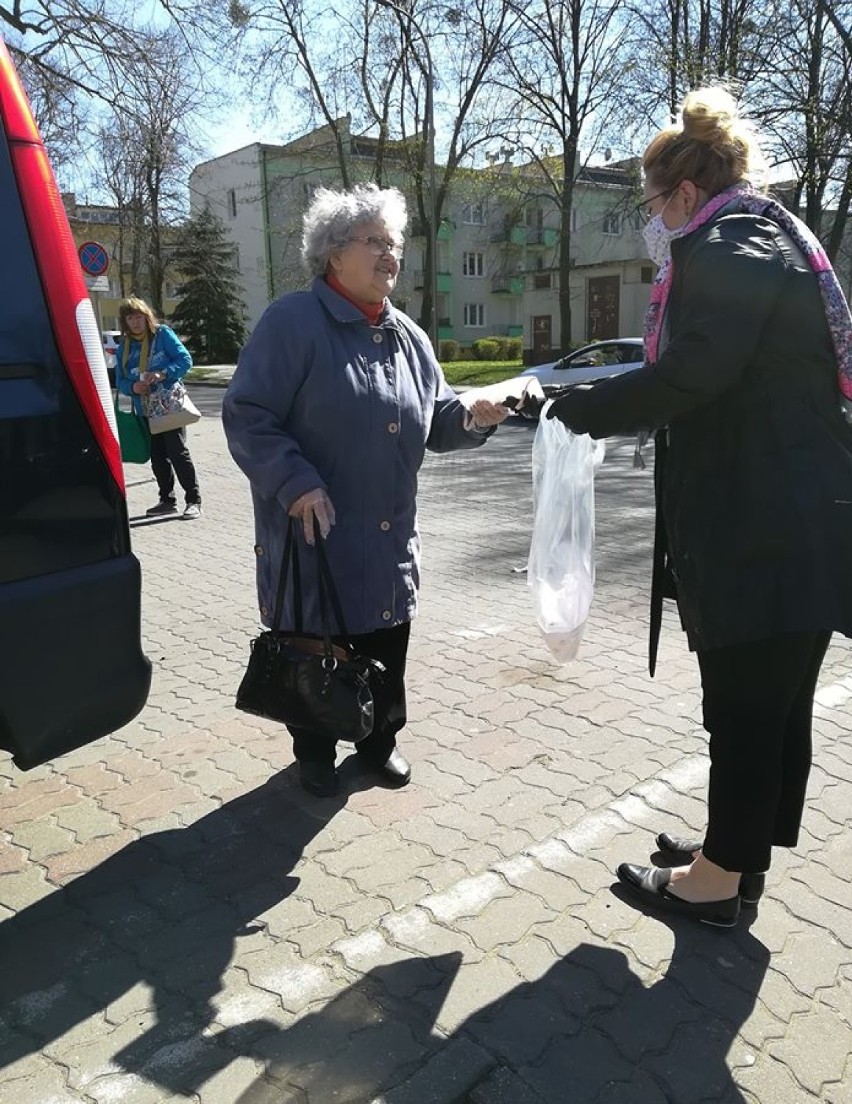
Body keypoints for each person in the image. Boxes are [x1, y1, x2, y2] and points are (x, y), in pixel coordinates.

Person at [548, 86, 852, 928]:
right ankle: (736, 853)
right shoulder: (767, 236)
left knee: (747, 707)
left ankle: (719, 883)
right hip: (799, 516)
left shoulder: (724, 245)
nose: (651, 222)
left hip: (764, 526)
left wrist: (581, 407)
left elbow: (693, 375)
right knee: (773, 702)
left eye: (650, 203)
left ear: (681, 193)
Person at [223, 183, 509, 797]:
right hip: (315, 533)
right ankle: (314, 752)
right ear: (333, 254)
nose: (390, 254)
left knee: (385, 643)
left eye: (395, 242)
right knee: (317, 646)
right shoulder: (292, 322)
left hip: (387, 535)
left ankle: (379, 741)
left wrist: (475, 417)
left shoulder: (408, 335)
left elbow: (437, 420)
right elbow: (248, 414)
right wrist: (295, 483)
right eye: (374, 241)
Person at [114, 296, 202, 519]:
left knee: (178, 453)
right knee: (157, 457)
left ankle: (193, 500)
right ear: (125, 322)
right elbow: (121, 381)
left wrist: (162, 373)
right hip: (144, 408)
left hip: (168, 406)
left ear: (147, 316)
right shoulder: (123, 346)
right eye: (130, 318)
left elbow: (185, 360)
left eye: (139, 316)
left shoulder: (161, 334)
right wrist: (134, 387)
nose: (135, 322)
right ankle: (166, 500)